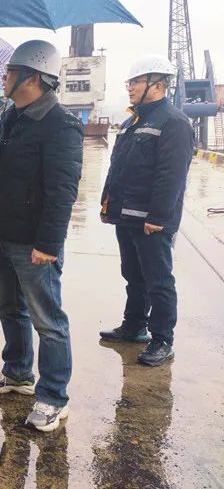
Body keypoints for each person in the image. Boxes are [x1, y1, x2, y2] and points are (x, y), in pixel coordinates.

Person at [0, 40, 84, 432]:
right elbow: (1, 172)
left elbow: (63, 191)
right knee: (10, 309)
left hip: (33, 243)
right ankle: (18, 373)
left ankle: (54, 396)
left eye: (9, 72)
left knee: (48, 320)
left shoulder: (60, 124)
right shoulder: (12, 117)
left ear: (32, 77)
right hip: (3, 234)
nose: (4, 78)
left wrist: (49, 245)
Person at [99, 55, 194, 366]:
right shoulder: (132, 122)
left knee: (158, 280)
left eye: (136, 82)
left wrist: (158, 217)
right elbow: (118, 167)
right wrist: (108, 203)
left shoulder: (174, 122)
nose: (130, 88)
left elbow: (172, 175)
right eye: (129, 82)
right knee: (133, 275)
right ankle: (134, 326)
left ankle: (163, 339)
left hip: (151, 221)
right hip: (126, 215)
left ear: (157, 85)